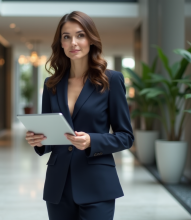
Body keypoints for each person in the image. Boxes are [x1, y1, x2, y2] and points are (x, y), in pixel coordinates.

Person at [25, 11, 134, 220]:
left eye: (80, 35)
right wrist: (38, 141)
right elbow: (52, 136)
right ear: (61, 44)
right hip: (59, 186)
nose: (73, 42)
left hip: (97, 184)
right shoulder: (51, 85)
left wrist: (92, 140)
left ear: (91, 40)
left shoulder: (111, 80)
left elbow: (125, 136)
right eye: (66, 37)